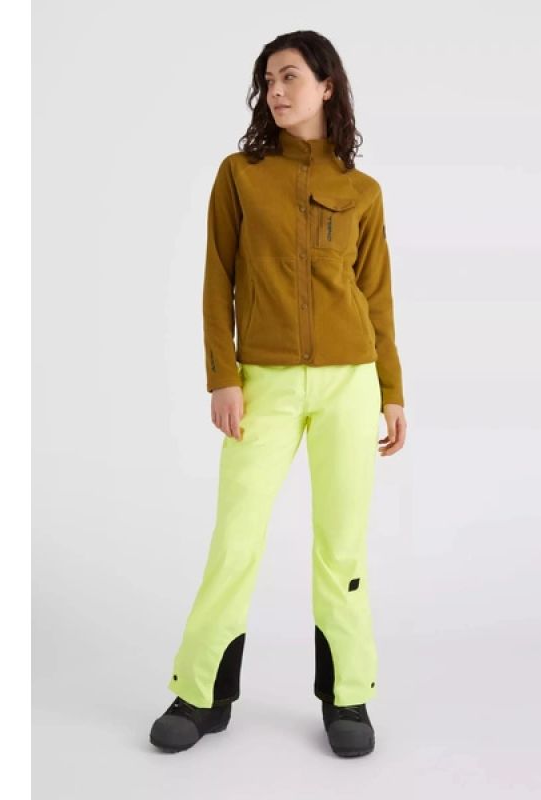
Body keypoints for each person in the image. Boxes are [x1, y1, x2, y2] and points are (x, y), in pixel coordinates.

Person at [149, 30, 407, 758]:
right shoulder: (240, 175)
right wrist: (223, 377)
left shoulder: (363, 192)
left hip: (350, 381)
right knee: (236, 538)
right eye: (268, 80)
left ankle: (347, 696)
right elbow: (217, 282)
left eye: (290, 76)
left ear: (327, 86)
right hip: (262, 382)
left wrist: (391, 390)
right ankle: (201, 694)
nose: (276, 91)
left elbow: (377, 298)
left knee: (341, 545)